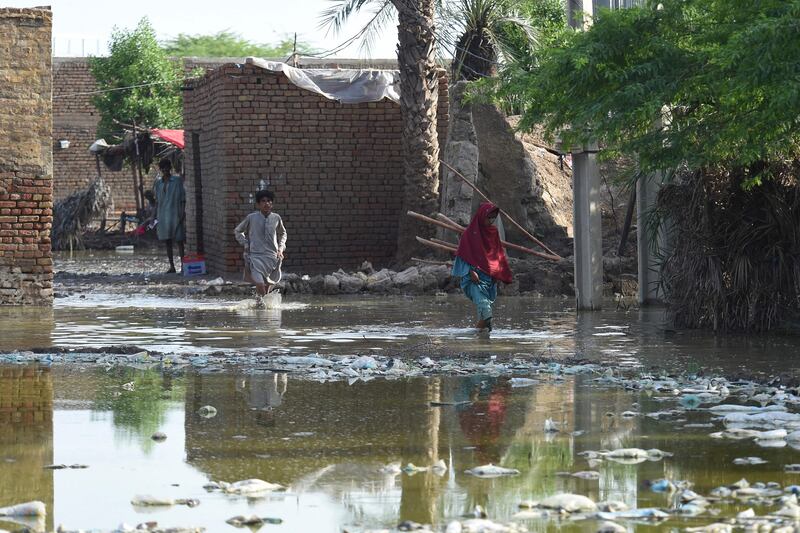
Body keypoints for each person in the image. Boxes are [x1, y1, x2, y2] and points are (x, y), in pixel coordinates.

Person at [451, 202, 513, 333]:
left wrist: (498, 274)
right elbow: (463, 255)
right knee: (485, 308)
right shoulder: (469, 234)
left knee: (485, 317)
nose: (490, 221)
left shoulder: (493, 233)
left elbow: (497, 254)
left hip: (489, 278)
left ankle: (481, 346)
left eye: (493, 218)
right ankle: (470, 337)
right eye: (488, 217)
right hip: (474, 278)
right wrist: (470, 271)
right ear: (481, 216)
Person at [234, 189, 287, 308]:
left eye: (269, 201)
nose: (266, 203)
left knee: (268, 285)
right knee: (259, 283)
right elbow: (238, 231)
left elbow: (283, 234)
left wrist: (280, 248)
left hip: (272, 257)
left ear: (272, 204)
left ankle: (261, 308)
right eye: (263, 201)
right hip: (255, 256)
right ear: (258, 204)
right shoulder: (251, 218)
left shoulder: (276, 218)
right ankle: (266, 308)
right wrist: (246, 244)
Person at [154, 159, 186, 273]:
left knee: (179, 241)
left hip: (176, 214)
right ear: (161, 170)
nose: (165, 170)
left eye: (167, 168)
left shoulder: (177, 181)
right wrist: (154, 216)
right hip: (163, 215)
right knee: (167, 241)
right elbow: (157, 200)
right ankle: (172, 266)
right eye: (163, 168)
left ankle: (183, 266)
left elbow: (183, 199)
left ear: (170, 168)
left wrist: (182, 213)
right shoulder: (158, 183)